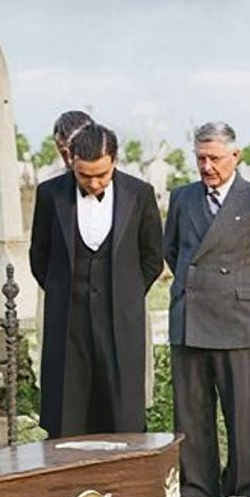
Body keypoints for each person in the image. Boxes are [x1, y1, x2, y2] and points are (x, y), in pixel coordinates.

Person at [164, 121, 250, 497]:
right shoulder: (182, 198)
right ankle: (197, 491)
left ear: (235, 156)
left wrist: (246, 294)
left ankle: (245, 489)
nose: (207, 167)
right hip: (190, 319)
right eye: (200, 158)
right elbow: (172, 252)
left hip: (238, 322)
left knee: (241, 415)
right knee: (191, 414)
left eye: (215, 158)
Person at [29, 123, 163, 437]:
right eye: (84, 175)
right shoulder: (50, 195)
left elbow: (152, 257)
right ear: (70, 161)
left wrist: (125, 293)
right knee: (68, 413)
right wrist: (64, 292)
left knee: (122, 414)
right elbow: (40, 256)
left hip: (121, 322)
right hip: (68, 322)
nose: (93, 183)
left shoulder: (139, 194)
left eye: (101, 175)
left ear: (114, 161)